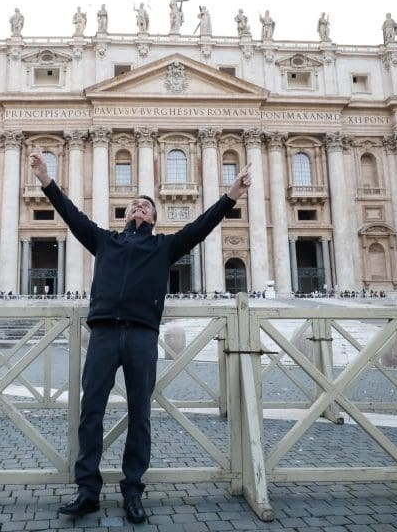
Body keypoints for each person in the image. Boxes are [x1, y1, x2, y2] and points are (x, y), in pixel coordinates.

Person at [29, 145, 251, 524]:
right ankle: (87, 490)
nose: (138, 207)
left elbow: (202, 225)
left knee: (140, 415)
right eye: (134, 204)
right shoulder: (105, 240)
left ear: (154, 218)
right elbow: (71, 215)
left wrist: (232, 194)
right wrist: (45, 178)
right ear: (125, 215)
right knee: (91, 412)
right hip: (103, 333)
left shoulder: (165, 246)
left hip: (141, 336)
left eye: (145, 206)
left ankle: (133, 491)